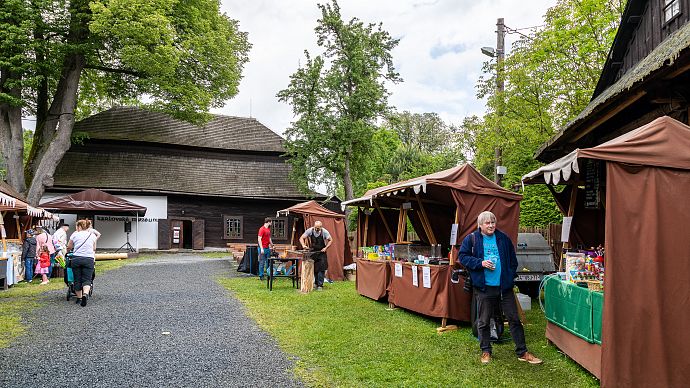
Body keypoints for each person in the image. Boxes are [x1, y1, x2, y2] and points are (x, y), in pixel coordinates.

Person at [459, 211, 542, 365]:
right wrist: (481, 263)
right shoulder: (472, 239)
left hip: (504, 288)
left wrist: (509, 278)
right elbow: (462, 257)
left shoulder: (503, 238)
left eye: (493, 222)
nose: (491, 225)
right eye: (487, 223)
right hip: (484, 287)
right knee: (483, 321)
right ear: (480, 225)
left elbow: (512, 261)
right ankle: (485, 351)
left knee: (514, 319)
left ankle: (522, 352)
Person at [66, 219, 99, 307]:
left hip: (76, 259)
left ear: (79, 226)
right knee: (87, 279)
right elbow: (94, 248)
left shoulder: (75, 234)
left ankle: (79, 298)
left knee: (77, 279)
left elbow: (69, 246)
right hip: (89, 259)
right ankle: (85, 294)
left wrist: (68, 250)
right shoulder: (92, 235)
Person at [299, 220, 332, 291]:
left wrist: (325, 248)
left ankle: (320, 285)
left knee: (321, 269)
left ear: (321, 227)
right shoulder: (310, 230)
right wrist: (303, 245)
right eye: (316, 228)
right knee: (315, 268)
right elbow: (301, 238)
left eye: (318, 228)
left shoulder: (325, 232)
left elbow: (331, 240)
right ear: (314, 226)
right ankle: (315, 283)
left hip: (321, 252)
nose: (317, 229)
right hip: (313, 252)